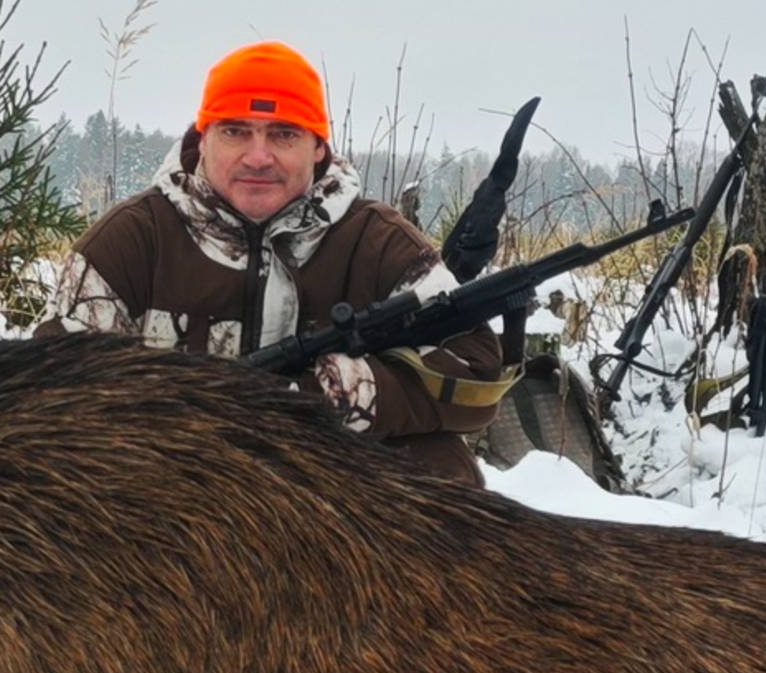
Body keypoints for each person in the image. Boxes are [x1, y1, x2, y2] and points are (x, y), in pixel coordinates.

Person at [41, 41, 510, 481]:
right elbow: (50, 396)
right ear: (203, 139)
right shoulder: (131, 241)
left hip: (340, 493)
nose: (258, 157)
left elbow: (476, 375)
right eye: (235, 132)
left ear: (319, 146)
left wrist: (335, 394)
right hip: (167, 493)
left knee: (437, 458)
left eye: (284, 134)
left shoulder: (378, 243)